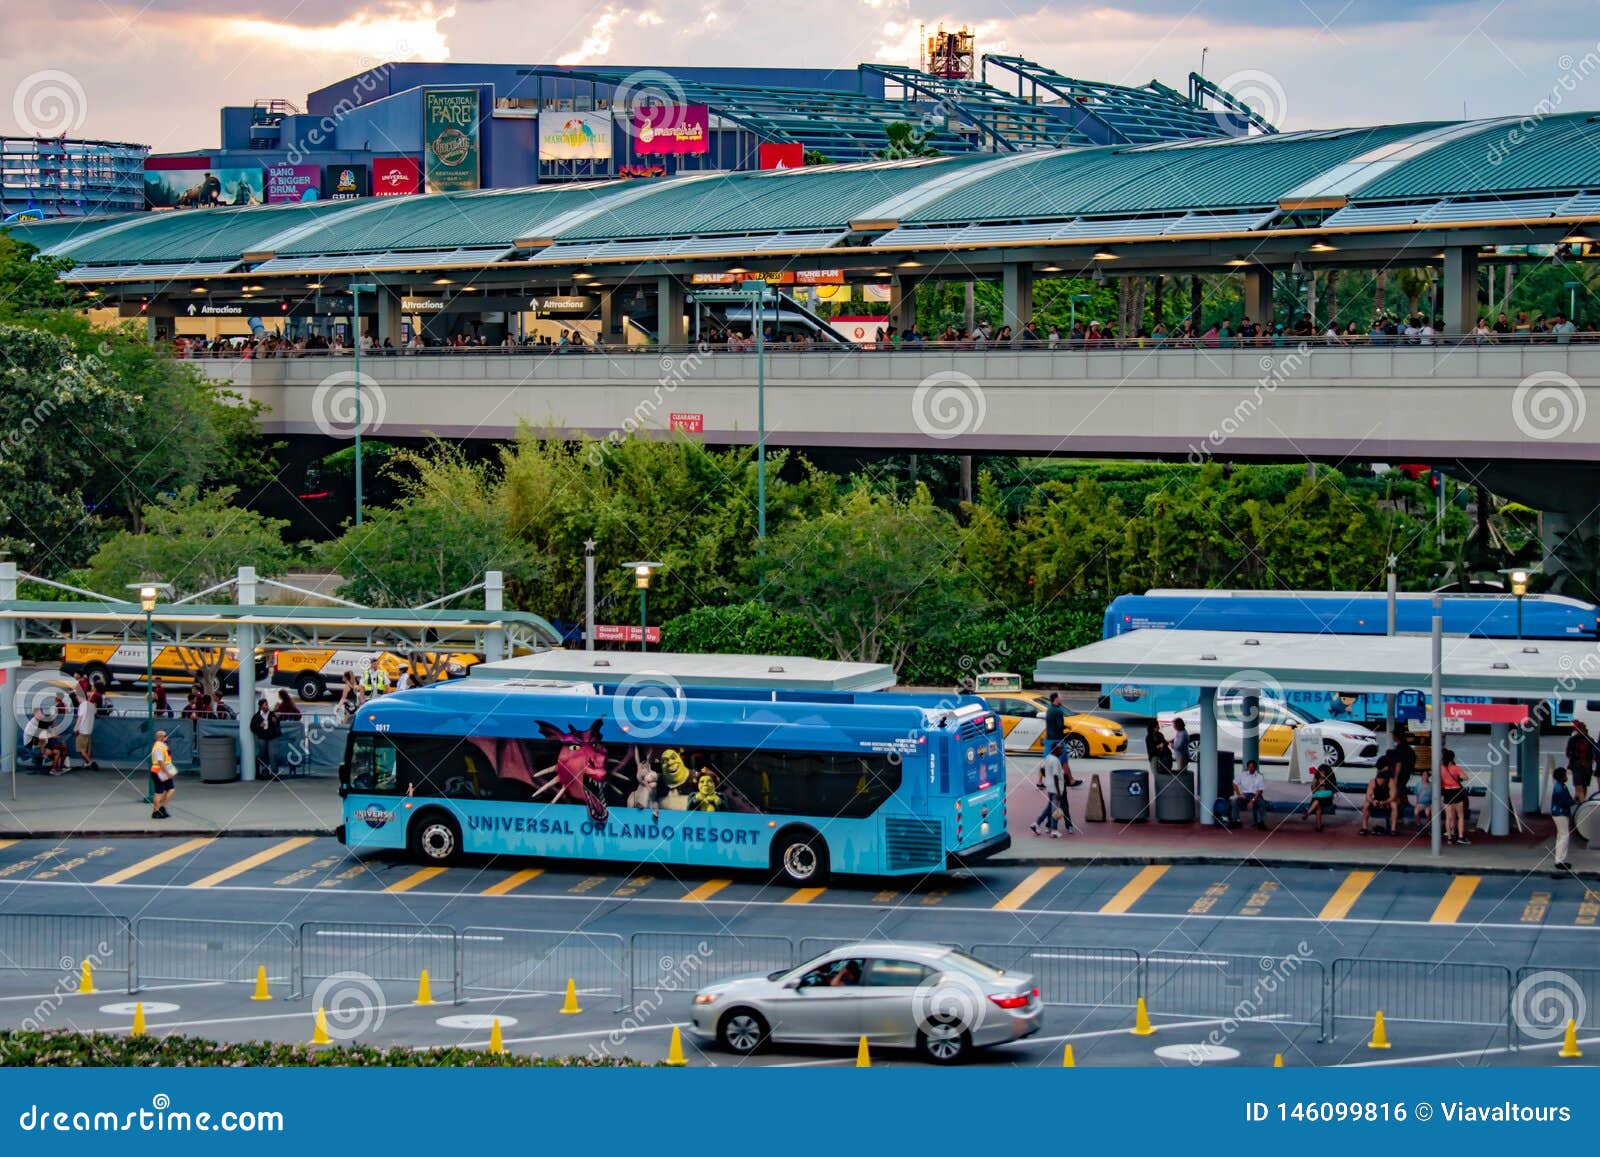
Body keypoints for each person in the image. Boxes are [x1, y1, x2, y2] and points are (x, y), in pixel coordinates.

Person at [1439, 749, 1470, 845]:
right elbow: (1466, 777)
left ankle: (1449, 837)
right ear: (1452, 758)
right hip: (1456, 792)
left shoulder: (1441, 768)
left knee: (1448, 817)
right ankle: (1460, 837)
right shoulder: (1456, 768)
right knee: (1460, 816)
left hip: (1447, 792)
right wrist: (1458, 777)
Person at [1360, 763, 1399, 835]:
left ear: (1385, 779)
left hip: (1387, 800)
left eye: (1381, 780)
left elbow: (1393, 797)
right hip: (1377, 800)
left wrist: (1384, 802)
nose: (1379, 781)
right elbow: (1368, 796)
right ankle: (1364, 827)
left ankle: (1393, 829)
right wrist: (1373, 801)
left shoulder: (1391, 781)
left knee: (1394, 804)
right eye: (1378, 780)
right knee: (1366, 804)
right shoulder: (1373, 782)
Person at [1550, 766, 1575, 873]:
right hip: (1560, 814)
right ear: (1561, 777)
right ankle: (1559, 861)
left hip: (1559, 813)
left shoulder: (1561, 786)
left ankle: (1559, 859)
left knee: (1561, 836)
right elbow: (1565, 802)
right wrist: (1575, 801)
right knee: (1564, 836)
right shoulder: (1560, 788)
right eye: (1565, 775)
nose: (1566, 776)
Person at [1230, 758, 1267, 829]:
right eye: (1249, 767)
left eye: (1252, 767)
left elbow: (1260, 790)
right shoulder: (1243, 774)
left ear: (1255, 767)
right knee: (1234, 801)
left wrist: (1252, 801)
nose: (1250, 768)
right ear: (1247, 767)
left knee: (1262, 803)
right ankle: (1236, 821)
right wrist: (1239, 794)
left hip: (1256, 795)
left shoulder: (1259, 777)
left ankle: (1260, 822)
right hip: (1245, 795)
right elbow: (1234, 783)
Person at [249, 698, 281, 779]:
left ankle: (274, 773)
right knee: (263, 755)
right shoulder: (257, 716)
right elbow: (252, 727)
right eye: (265, 705)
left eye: (267, 704)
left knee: (272, 754)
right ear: (261, 706)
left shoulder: (271, 714)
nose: (267, 706)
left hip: (272, 737)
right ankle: (265, 771)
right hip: (262, 737)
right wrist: (259, 726)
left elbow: (277, 724)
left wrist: (275, 721)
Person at [1565, 721, 1596, 803]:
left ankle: (1580, 804)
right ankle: (1578, 802)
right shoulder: (1590, 740)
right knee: (1584, 786)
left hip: (1577, 765)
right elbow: (1594, 753)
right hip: (1587, 766)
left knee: (1578, 786)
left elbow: (1568, 753)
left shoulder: (1573, 740)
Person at [149, 730, 177, 820]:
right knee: (159, 792)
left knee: (170, 789)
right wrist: (167, 772)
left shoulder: (162, 745)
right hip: (159, 771)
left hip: (164, 769)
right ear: (160, 737)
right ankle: (155, 812)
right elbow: (160, 762)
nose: (167, 737)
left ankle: (162, 808)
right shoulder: (158, 747)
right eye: (165, 736)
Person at [1307, 764, 1337, 832]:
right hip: (1317, 797)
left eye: (1324, 773)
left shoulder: (1330, 779)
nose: (1322, 774)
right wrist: (1319, 786)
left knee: (1317, 803)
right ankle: (1319, 827)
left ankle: (1308, 812)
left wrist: (1325, 786)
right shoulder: (1316, 778)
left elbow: (1333, 792)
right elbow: (1313, 791)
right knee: (1318, 805)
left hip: (1327, 800)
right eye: (1320, 772)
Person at [73, 691, 97, 770]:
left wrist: (76, 728)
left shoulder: (82, 705)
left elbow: (80, 718)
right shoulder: (92, 705)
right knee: (87, 748)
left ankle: (90, 762)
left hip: (82, 729)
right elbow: (95, 713)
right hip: (89, 729)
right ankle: (86, 763)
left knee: (81, 749)